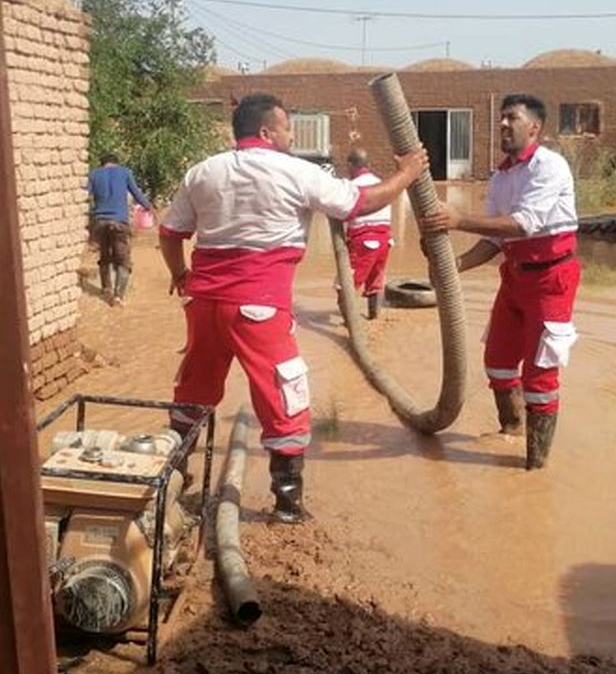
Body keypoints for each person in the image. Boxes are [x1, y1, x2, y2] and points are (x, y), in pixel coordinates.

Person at [158, 93, 427, 522]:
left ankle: (170, 482)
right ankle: (287, 506)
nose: (290, 135)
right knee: (285, 400)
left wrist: (180, 275)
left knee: (192, 392)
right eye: (286, 128)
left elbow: (171, 233)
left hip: (204, 303)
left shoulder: (203, 172)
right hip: (259, 307)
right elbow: (361, 203)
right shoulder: (296, 172)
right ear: (267, 131)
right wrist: (407, 173)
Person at [421, 94, 580, 470]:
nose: (504, 124)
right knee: (498, 360)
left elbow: (524, 224)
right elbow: (496, 241)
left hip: (551, 278)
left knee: (539, 374)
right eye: (502, 118)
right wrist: (452, 266)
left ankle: (534, 467)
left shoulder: (549, 166)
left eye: (512, 118)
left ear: (534, 128)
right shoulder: (502, 174)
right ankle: (511, 429)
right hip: (514, 276)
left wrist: (457, 219)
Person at [87, 153, 152, 306]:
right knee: (122, 259)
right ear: (116, 163)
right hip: (119, 221)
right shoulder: (125, 172)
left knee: (104, 254)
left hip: (100, 221)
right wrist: (149, 207)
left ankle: (105, 288)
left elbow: (86, 194)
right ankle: (118, 296)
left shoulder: (94, 174)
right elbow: (136, 193)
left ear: (102, 163)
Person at [343, 149, 394, 319]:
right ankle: (374, 318)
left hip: (363, 241)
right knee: (376, 281)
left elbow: (339, 212)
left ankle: (349, 323)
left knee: (346, 284)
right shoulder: (381, 184)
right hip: (385, 241)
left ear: (351, 165)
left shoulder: (351, 186)